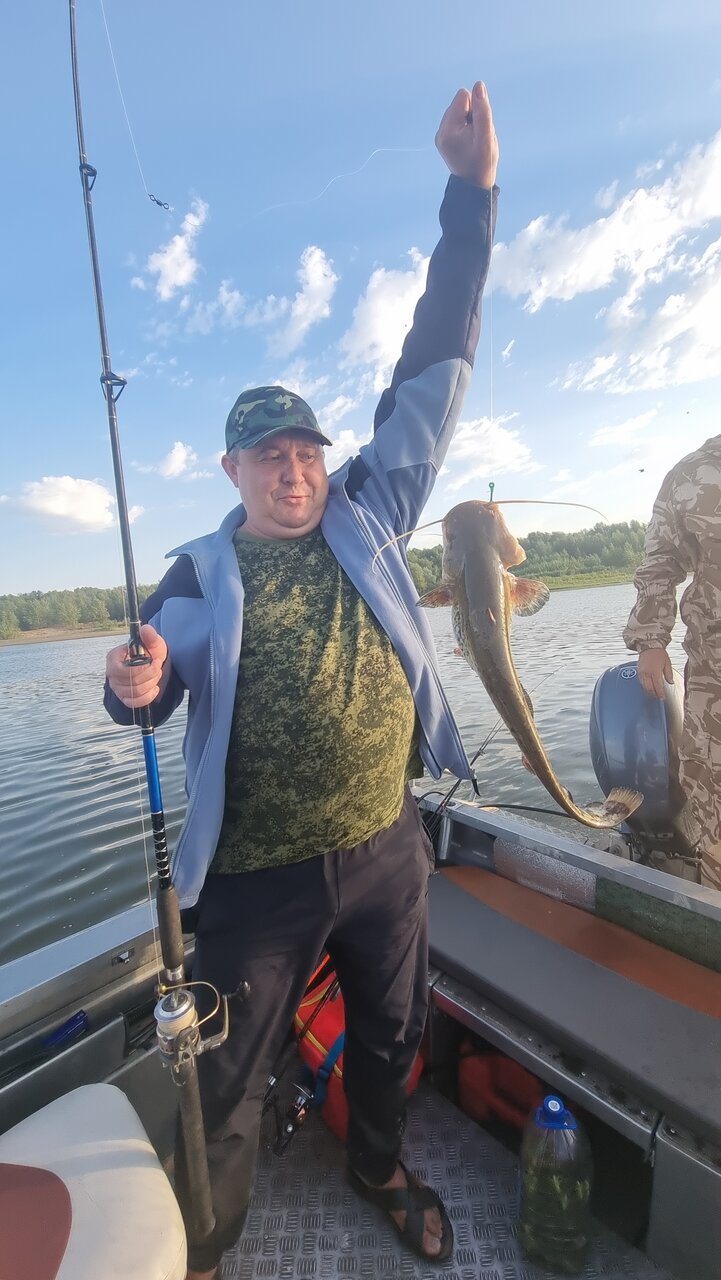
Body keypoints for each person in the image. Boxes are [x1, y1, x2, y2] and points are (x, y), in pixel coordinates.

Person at [105, 81, 499, 1280]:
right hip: (256, 879)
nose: (294, 470)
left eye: (306, 450)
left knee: (392, 1026)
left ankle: (377, 1166)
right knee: (226, 1071)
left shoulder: (371, 509)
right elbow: (148, 675)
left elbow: (433, 365)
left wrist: (470, 195)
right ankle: (209, 1245)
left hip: (387, 845)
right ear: (232, 468)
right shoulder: (198, 569)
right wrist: (134, 681)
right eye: (269, 454)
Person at [623, 434, 721, 892]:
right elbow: (661, 560)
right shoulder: (693, 473)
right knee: (714, 797)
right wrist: (650, 639)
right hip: (715, 672)